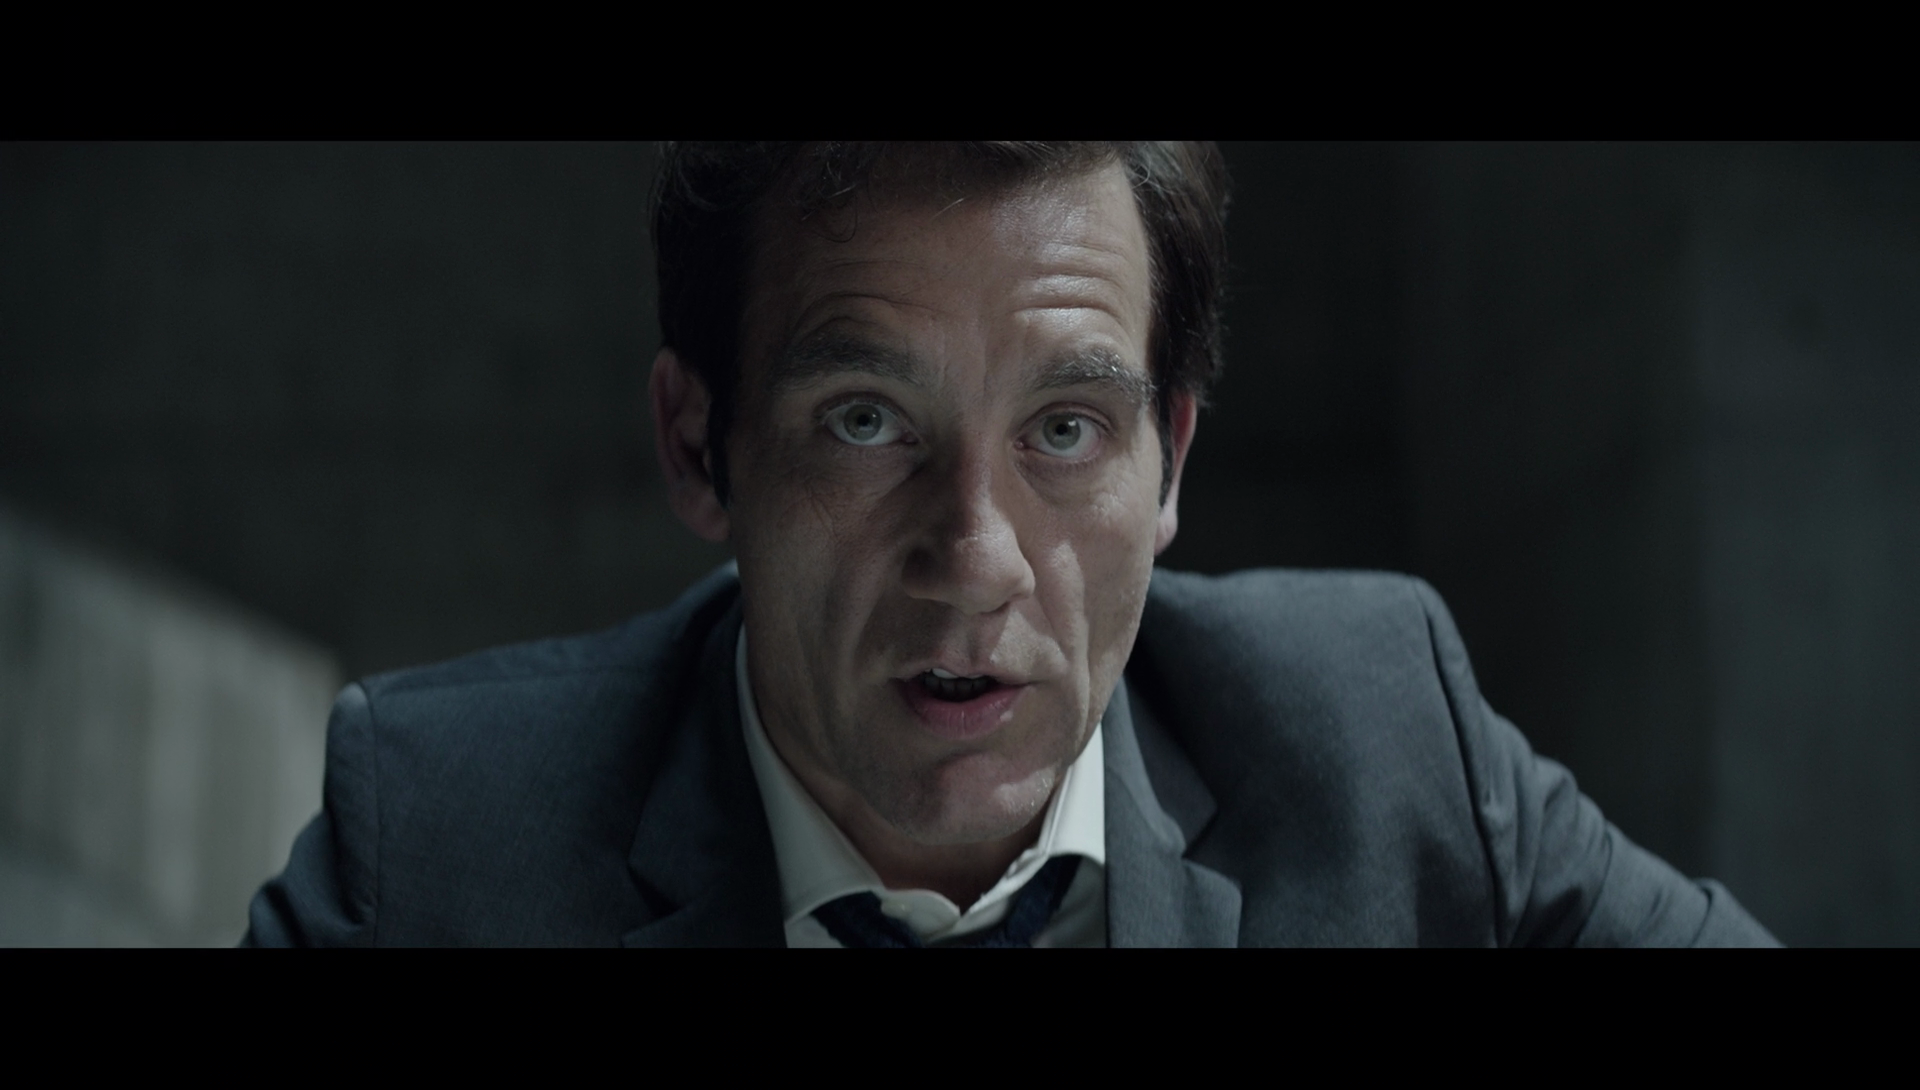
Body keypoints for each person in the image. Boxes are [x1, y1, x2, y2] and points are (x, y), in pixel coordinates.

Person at [244, 142, 1777, 947]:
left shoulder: (1382, 738)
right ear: (699, 442)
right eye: (865, 421)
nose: (975, 556)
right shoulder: (437, 847)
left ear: (1171, 460)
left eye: (1066, 428)